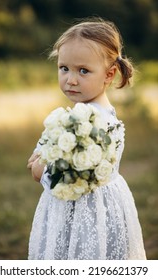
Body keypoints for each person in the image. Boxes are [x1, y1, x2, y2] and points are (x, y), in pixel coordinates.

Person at [27, 17, 146, 260]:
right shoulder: (83, 114)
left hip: (90, 213)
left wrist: (41, 167)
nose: (71, 79)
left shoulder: (93, 124)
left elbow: (60, 176)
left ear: (109, 74)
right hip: (87, 210)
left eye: (83, 70)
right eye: (64, 68)